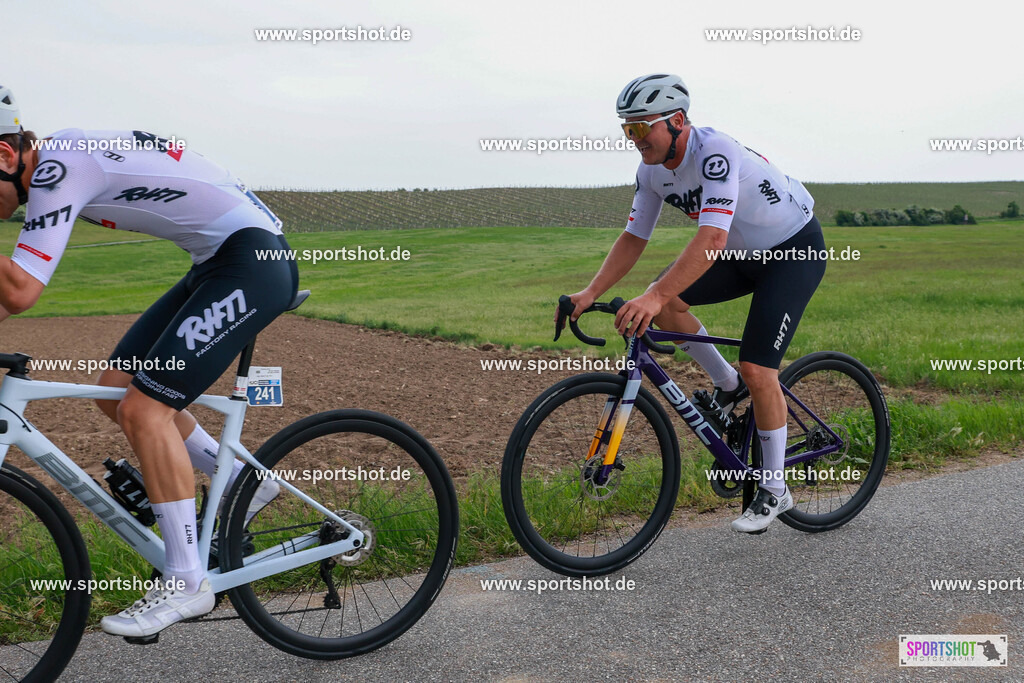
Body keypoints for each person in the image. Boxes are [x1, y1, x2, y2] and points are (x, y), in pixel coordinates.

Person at [0, 85, 295, 635]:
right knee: (119, 390)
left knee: (145, 410)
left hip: (253, 260)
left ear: (3, 154)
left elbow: (19, 292)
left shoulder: (59, 168)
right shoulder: (59, 162)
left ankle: (188, 583)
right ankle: (242, 482)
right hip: (218, 261)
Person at [563, 74, 826, 533]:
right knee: (663, 304)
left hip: (791, 251)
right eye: (628, 130)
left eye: (642, 128)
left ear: (677, 121)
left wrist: (656, 291)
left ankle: (775, 488)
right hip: (741, 255)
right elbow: (632, 238)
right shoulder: (650, 173)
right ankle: (727, 384)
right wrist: (590, 292)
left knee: (759, 369)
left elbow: (712, 236)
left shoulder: (716, 153)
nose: (634, 139)